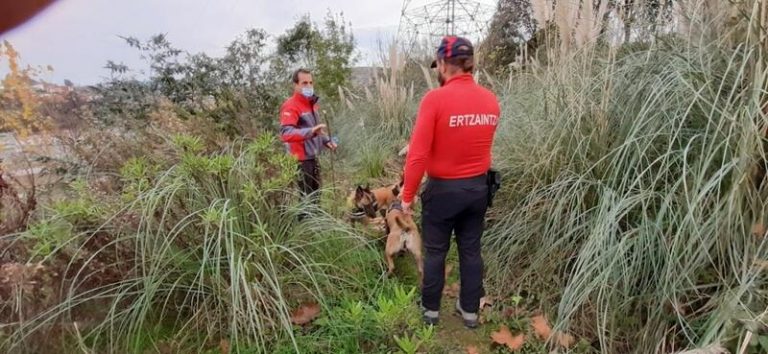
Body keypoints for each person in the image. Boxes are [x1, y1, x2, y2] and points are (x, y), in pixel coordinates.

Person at [400, 36, 500, 328]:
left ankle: (431, 311)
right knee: (471, 250)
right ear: (469, 64)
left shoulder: (435, 99)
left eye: (438, 66)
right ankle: (469, 311)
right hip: (478, 189)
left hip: (443, 192)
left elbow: (417, 155)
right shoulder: (490, 100)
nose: (437, 71)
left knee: (435, 251)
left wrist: (407, 196)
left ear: (444, 64)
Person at [279, 68, 337, 208]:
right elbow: (286, 133)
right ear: (296, 85)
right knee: (305, 198)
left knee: (316, 196)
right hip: (300, 160)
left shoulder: (312, 104)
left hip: (312, 157)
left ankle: (316, 226)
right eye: (304, 83)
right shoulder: (290, 106)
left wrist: (326, 141)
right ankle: (305, 227)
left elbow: (316, 128)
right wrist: (310, 131)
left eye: (311, 82)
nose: (309, 86)